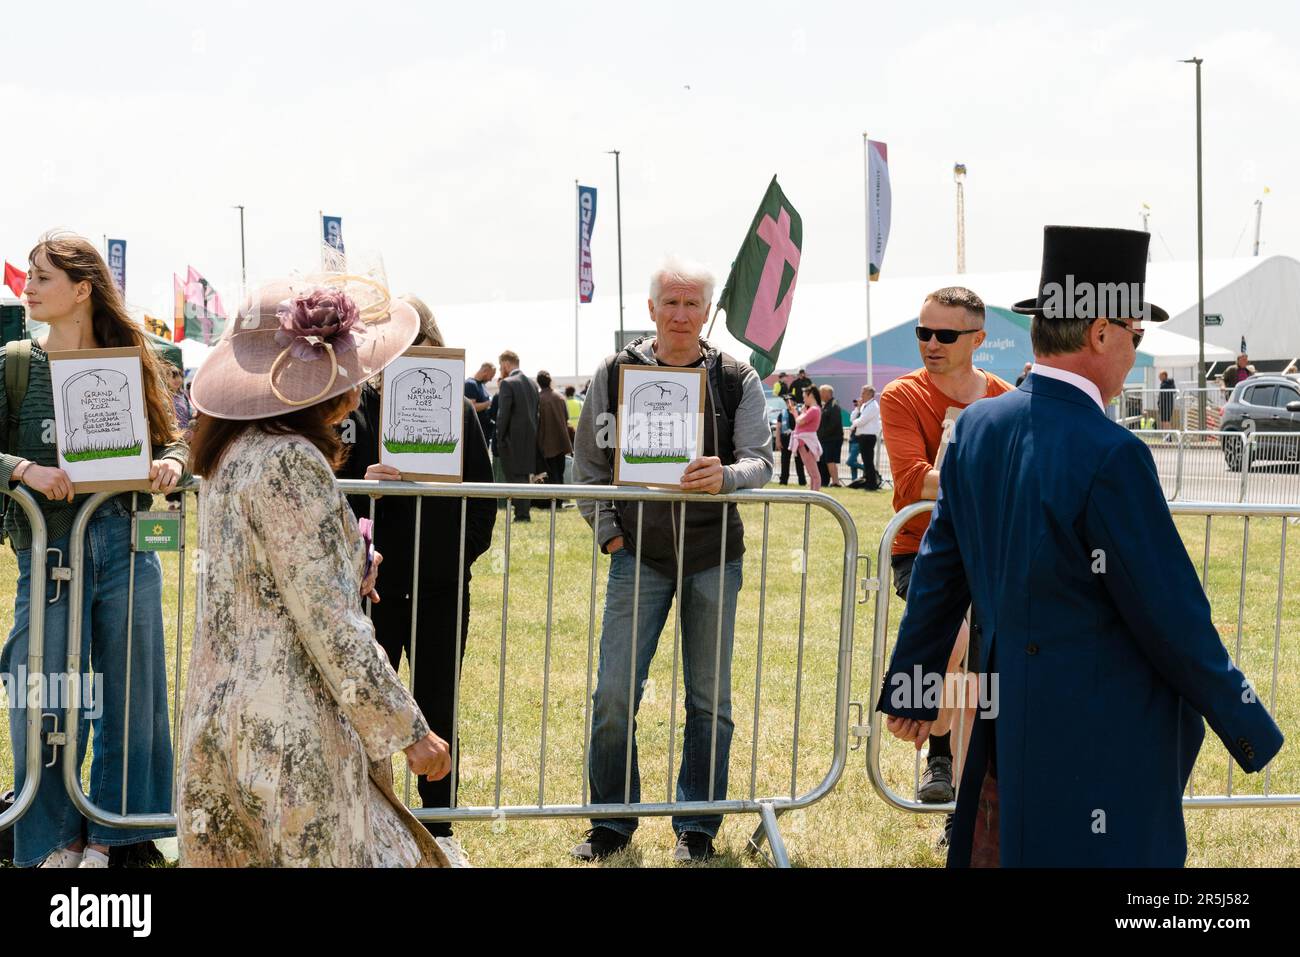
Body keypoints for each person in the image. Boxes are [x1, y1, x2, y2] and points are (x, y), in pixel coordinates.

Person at [878, 225, 1283, 866]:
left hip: (1005, 724)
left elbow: (938, 571)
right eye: (1135, 335)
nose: (1133, 352)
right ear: (1099, 333)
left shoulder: (978, 426)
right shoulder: (1111, 452)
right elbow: (1170, 613)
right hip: (1095, 731)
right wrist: (1249, 724)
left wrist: (913, 682)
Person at [179, 274, 453, 867]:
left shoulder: (230, 454)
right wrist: (410, 732)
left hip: (220, 721)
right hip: (289, 731)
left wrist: (348, 558)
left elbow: (262, 581)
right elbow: (332, 626)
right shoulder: (290, 462)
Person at [571, 256, 773, 863]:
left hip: (714, 554)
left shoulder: (739, 378)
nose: (681, 314)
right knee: (612, 694)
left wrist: (727, 475)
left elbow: (763, 460)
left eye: (693, 304)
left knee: (710, 699)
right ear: (651, 307)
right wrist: (610, 535)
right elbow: (587, 466)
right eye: (671, 302)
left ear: (707, 312)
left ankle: (698, 826)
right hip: (639, 555)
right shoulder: (616, 372)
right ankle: (610, 822)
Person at [0, 233, 185, 868]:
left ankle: (119, 836)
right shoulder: (14, 364)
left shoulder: (139, 359)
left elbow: (181, 442)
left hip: (124, 544)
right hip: (47, 552)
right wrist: (23, 469)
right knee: (43, 690)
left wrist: (170, 464)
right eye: (29, 274)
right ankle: (53, 837)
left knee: (132, 696)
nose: (28, 285)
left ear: (81, 289)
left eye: (42, 277)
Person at [337, 295, 495, 867]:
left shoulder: (457, 410)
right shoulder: (352, 409)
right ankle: (362, 823)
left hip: (440, 588)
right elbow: (331, 496)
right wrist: (365, 483)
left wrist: (456, 564)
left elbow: (485, 503)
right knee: (364, 706)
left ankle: (440, 827)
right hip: (370, 589)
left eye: (410, 336)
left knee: (435, 703)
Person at [879, 286, 1013, 825]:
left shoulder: (1005, 397)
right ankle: (937, 755)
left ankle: (962, 798)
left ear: (978, 339)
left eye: (945, 335)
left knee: (984, 678)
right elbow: (912, 484)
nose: (930, 344)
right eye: (922, 332)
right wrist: (979, 477)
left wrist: (954, 477)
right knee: (952, 642)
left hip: (990, 553)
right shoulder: (900, 395)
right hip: (922, 549)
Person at [495, 349, 538, 522]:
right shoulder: (532, 384)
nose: (500, 370)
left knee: (514, 479)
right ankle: (523, 513)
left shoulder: (508, 383)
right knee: (524, 479)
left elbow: (503, 415)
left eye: (500, 366)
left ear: (506, 363)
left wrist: (499, 438)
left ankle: (521, 514)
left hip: (511, 440)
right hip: (529, 439)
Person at [536, 369, 572, 487]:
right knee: (560, 472)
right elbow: (566, 418)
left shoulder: (539, 399)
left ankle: (554, 499)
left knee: (551, 473)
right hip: (561, 440)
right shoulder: (560, 397)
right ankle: (560, 499)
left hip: (547, 442)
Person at [788, 392, 822, 491]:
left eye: (804, 397)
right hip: (804, 443)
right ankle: (812, 495)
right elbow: (799, 424)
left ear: (811, 396)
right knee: (812, 474)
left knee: (814, 475)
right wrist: (798, 413)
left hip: (806, 443)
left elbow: (799, 421)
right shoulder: (812, 410)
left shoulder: (814, 410)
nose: (803, 400)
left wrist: (796, 414)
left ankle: (814, 497)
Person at [850, 385, 881, 490]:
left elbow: (862, 421)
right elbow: (853, 418)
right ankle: (868, 481)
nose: (861, 395)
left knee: (868, 461)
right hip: (863, 436)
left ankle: (871, 484)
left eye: (863, 393)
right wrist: (857, 408)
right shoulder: (864, 406)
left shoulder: (873, 406)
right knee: (866, 461)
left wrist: (853, 425)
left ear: (869, 394)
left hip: (868, 437)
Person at [775, 397, 806, 486]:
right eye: (786, 401)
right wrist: (778, 441)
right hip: (785, 439)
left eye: (790, 401)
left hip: (797, 438)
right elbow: (778, 428)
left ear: (794, 402)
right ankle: (783, 481)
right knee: (785, 460)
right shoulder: (782, 413)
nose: (788, 403)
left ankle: (802, 481)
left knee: (799, 461)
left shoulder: (799, 412)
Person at [817, 385, 843, 487]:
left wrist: (823, 433)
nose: (820, 395)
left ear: (827, 393)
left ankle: (835, 482)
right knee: (825, 460)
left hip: (832, 439)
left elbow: (834, 423)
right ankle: (826, 481)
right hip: (826, 439)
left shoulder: (833, 405)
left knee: (830, 460)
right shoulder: (827, 405)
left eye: (821, 392)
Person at [465, 361, 495, 448]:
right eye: (491, 375)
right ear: (485, 371)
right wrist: (489, 403)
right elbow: (472, 407)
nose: (491, 379)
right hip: (476, 433)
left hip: (484, 431)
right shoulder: (470, 384)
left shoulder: (482, 385)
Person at [1158, 369, 1176, 435]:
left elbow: (1163, 396)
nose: (1159, 377)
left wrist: (1160, 404)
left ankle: (1168, 437)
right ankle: (1167, 437)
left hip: (1166, 405)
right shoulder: (1167, 384)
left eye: (1160, 376)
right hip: (1166, 405)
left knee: (1166, 422)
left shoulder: (1165, 384)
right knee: (1165, 421)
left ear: (1164, 376)